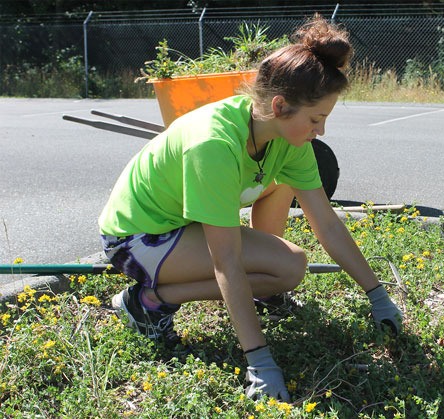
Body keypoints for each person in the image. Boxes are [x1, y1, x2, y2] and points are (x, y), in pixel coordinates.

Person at [98, 14, 402, 402]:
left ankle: (260, 282)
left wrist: (376, 294)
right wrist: (260, 363)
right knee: (289, 266)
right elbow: (225, 260)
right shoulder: (214, 145)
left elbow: (325, 222)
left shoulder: (286, 140)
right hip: (136, 238)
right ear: (279, 106)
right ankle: (149, 302)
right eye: (315, 119)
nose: (320, 131)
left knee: (279, 207)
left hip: (178, 227)